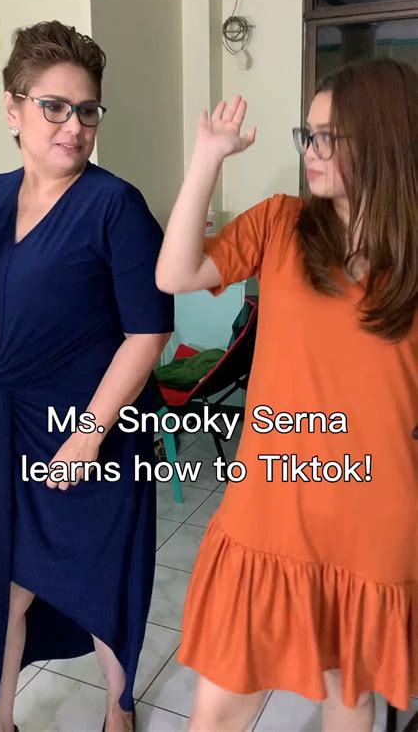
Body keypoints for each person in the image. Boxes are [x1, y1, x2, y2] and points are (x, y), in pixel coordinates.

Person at [156, 58, 417, 732]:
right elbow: (175, 271)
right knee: (218, 704)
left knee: (347, 693)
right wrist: (206, 159)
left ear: (383, 140)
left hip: (374, 519)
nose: (311, 150)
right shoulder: (280, 224)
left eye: (330, 136)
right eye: (309, 134)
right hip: (271, 504)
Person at [0, 20, 174, 732]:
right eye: (54, 107)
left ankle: (118, 709)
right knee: (5, 586)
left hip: (92, 431)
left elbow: (148, 332)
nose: (74, 126)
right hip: (11, 434)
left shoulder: (115, 206)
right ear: (13, 109)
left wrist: (87, 436)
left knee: (97, 581)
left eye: (87, 110)